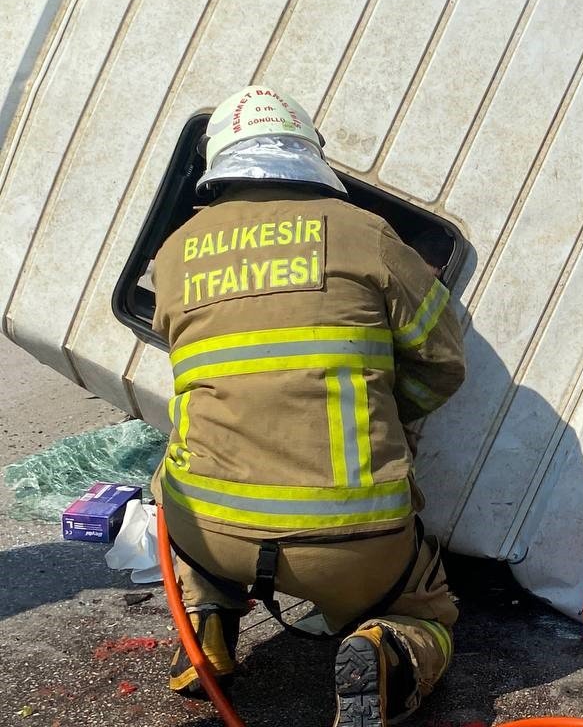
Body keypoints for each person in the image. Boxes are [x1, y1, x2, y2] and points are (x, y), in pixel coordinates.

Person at [151, 87, 466, 726]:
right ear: (307, 157)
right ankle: (389, 652)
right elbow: (443, 363)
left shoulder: (175, 252)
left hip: (212, 535)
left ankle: (206, 628)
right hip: (352, 550)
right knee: (426, 608)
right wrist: (385, 411)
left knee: (177, 477)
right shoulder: (367, 235)